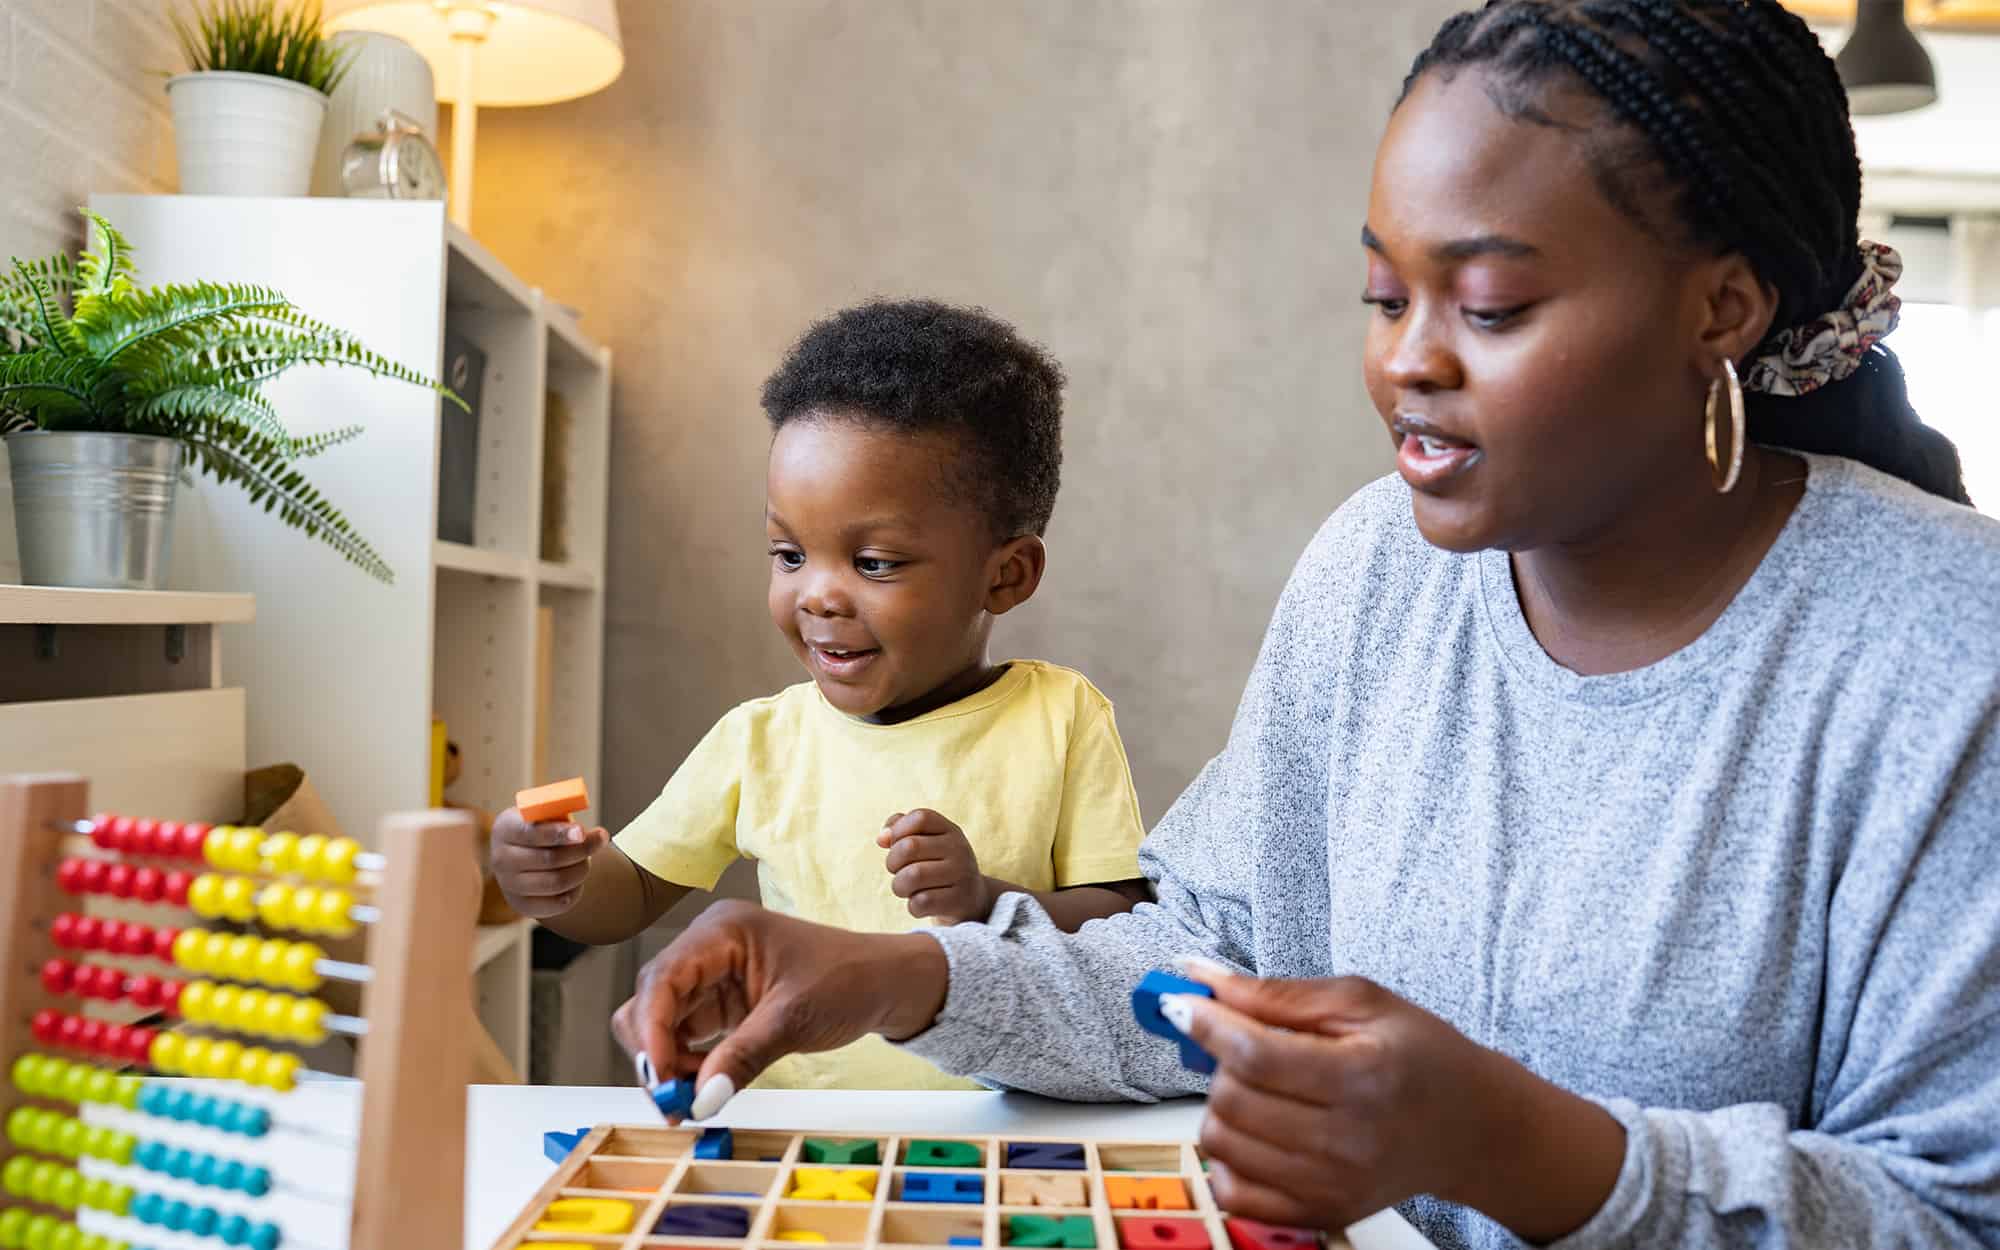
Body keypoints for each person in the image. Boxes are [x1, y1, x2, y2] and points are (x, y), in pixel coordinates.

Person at [608, 2, 2000, 1246]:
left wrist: (1517, 1145)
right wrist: (898, 973)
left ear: (1724, 308)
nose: (1407, 359)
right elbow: (1210, 958)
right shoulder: (1373, 572)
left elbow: (1952, 1206)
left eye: (1493, 303)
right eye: (1385, 293)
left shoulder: (1942, 648)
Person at [493, 299, 1152, 1090]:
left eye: (874, 562)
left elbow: (1118, 924)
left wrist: (986, 899)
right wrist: (553, 881)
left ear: (1005, 575)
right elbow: (625, 895)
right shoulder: (760, 740)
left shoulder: (1061, 718)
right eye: (789, 553)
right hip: (798, 1142)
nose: (818, 596)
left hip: (997, 1139)